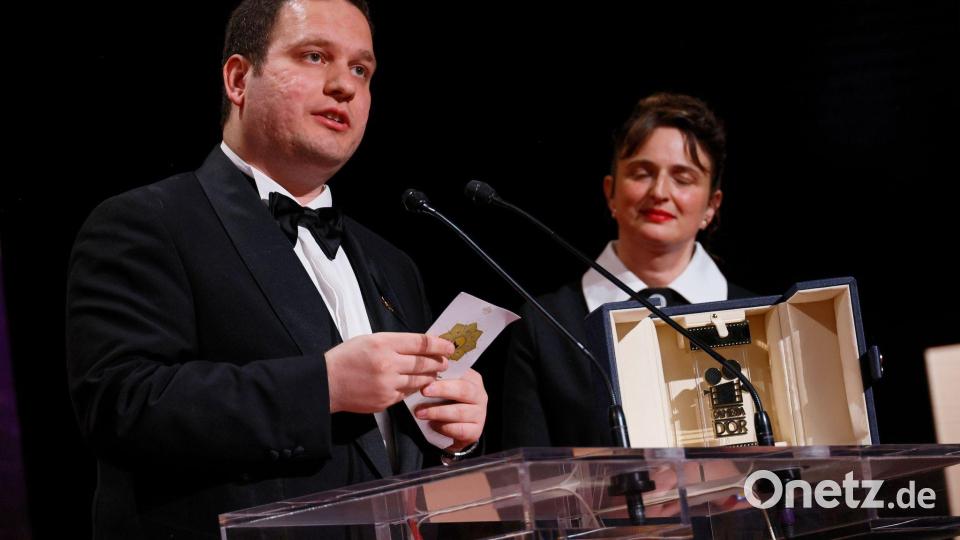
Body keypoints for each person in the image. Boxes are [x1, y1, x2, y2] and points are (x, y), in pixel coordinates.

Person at [65, 0, 486, 537]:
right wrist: (324, 386)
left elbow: (398, 466)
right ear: (239, 79)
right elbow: (122, 405)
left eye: (362, 69)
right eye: (315, 56)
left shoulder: (391, 263)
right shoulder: (148, 222)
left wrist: (452, 437)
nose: (345, 86)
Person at [501, 92, 753, 449]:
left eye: (683, 178)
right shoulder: (546, 325)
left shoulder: (758, 316)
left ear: (712, 206)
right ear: (610, 192)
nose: (660, 192)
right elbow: (523, 481)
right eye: (641, 173)